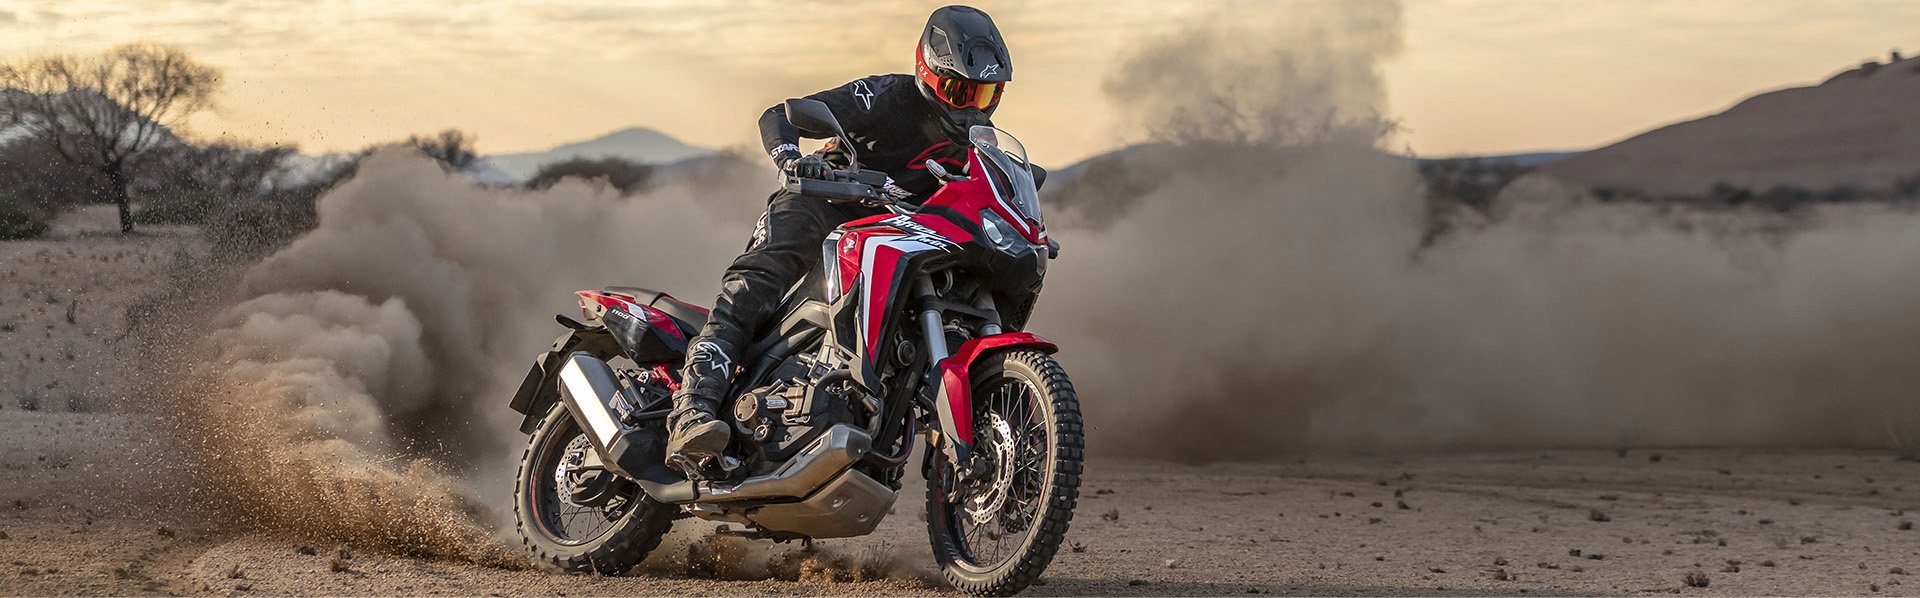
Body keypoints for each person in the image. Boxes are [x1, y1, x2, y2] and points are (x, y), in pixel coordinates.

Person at [665, 5, 1014, 475]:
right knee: (753, 287)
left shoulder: (981, 142)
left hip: (895, 235)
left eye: (985, 94)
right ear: (928, 72)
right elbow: (779, 116)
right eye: (960, 91)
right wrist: (791, 159)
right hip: (822, 203)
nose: (971, 107)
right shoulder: (884, 96)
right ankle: (693, 409)